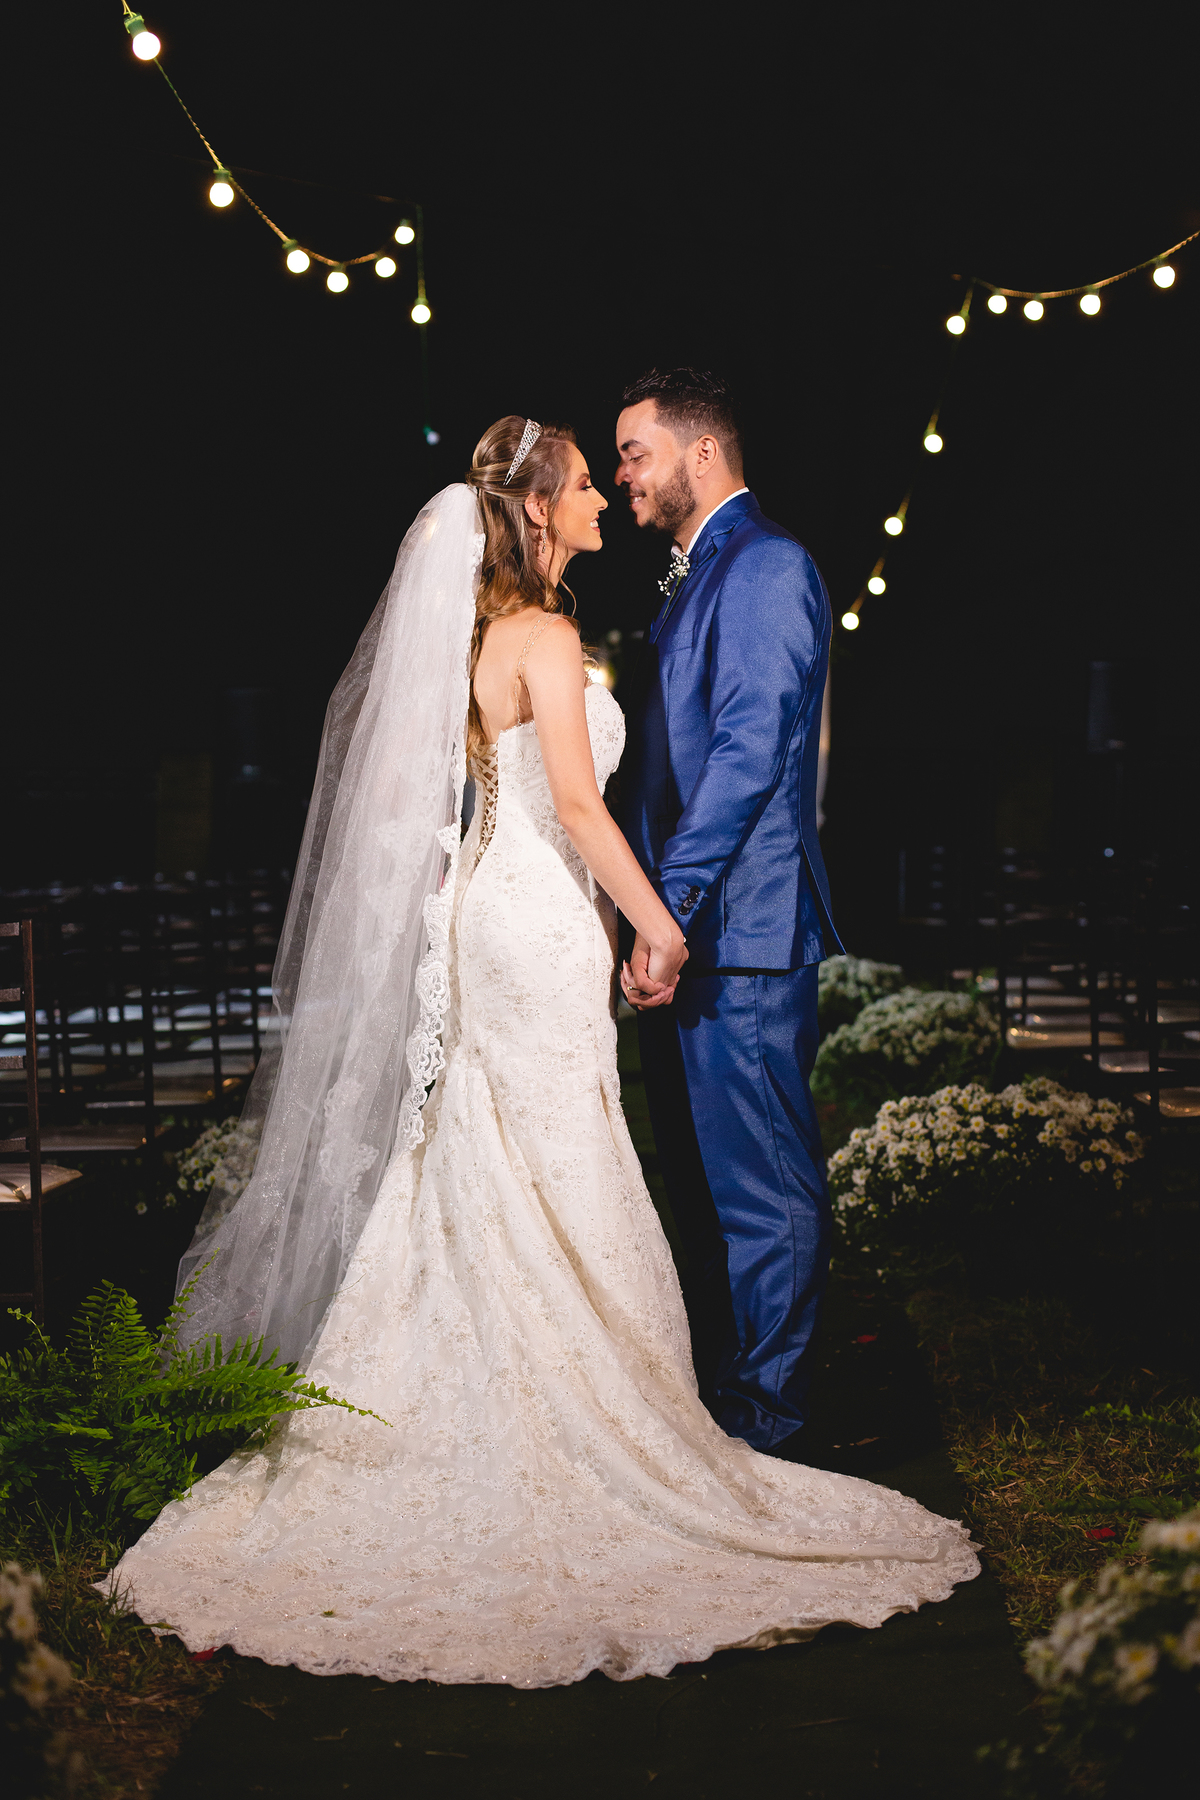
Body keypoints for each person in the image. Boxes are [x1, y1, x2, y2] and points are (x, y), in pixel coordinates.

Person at [104, 416, 976, 1689]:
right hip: (539, 915)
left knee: (478, 1146)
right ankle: (586, 1427)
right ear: (536, 511)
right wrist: (660, 925)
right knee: (559, 1145)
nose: (605, 500)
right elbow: (573, 805)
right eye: (584, 484)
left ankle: (465, 1401)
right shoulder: (552, 636)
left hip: (485, 912)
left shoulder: (476, 642)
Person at [615, 368, 839, 1458]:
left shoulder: (767, 566)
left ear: (703, 454)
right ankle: (728, 1397)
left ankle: (772, 1424)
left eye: (634, 453)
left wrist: (672, 909)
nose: (621, 477)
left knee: (763, 1194)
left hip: (738, 937)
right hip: (692, 938)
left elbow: (748, 757)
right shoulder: (696, 575)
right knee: (708, 1193)